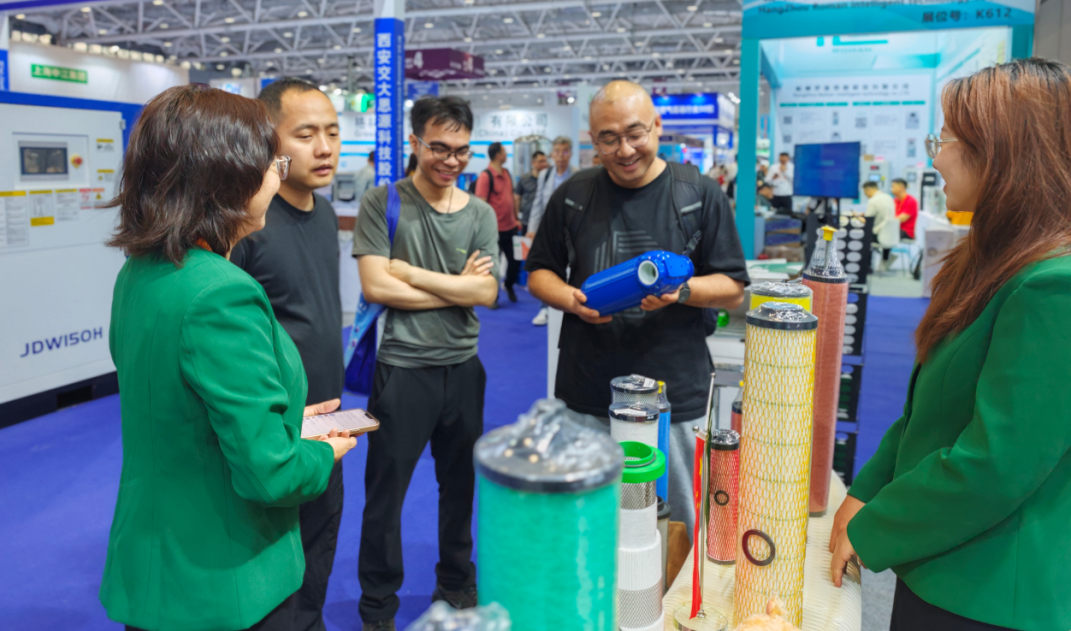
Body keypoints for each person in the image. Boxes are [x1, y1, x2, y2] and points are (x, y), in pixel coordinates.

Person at [101, 85, 357, 631]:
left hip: (155, 564)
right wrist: (322, 453)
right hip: (226, 579)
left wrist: (283, 423)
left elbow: (183, 411)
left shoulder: (140, 273)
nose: (276, 177)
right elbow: (272, 475)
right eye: (270, 163)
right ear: (226, 177)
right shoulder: (221, 293)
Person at [830, 58, 1071, 631]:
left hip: (989, 594)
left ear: (1004, 152)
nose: (935, 158)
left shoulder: (1051, 286)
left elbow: (997, 465)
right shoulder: (991, 258)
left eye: (947, 141)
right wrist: (865, 490)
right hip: (943, 567)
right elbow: (928, 411)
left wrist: (876, 524)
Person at [526, 81, 748, 537]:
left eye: (635, 134)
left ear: (657, 126)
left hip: (673, 397)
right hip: (587, 394)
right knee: (585, 527)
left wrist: (681, 292)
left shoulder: (698, 194)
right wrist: (572, 300)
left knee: (673, 529)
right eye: (608, 139)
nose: (625, 150)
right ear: (593, 139)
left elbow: (732, 288)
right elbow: (539, 272)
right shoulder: (574, 194)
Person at [352, 96, 499, 631]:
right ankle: (377, 606)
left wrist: (411, 274)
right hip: (402, 370)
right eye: (439, 147)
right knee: (385, 497)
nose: (451, 160)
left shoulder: (480, 213)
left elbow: (486, 293)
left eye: (462, 150)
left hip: (464, 369)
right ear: (415, 142)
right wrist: (458, 287)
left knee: (460, 489)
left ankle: (456, 583)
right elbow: (376, 286)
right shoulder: (382, 202)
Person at [229, 77, 346, 631]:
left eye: (332, 132)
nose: (324, 148)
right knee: (272, 565)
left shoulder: (325, 213)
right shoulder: (247, 224)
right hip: (271, 429)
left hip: (327, 419)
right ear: (269, 140)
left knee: (321, 545)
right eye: (305, 134)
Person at [526, 136, 575, 326]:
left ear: (570, 153)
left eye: (565, 151)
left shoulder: (577, 175)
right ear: (552, 154)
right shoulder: (545, 175)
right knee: (546, 268)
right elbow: (538, 203)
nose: (561, 156)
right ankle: (544, 308)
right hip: (549, 230)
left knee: (571, 269)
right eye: (557, 151)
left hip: (571, 231)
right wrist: (532, 228)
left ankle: (569, 305)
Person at [475, 142, 520, 304]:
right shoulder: (485, 176)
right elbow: (480, 204)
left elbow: (512, 197)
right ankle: (492, 295)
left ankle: (508, 284)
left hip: (511, 227)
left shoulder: (506, 173)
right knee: (493, 265)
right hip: (494, 231)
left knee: (515, 261)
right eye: (504, 151)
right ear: (498, 155)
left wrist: (516, 217)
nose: (506, 154)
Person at [861, 181, 900, 271]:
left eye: (865, 192)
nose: (865, 195)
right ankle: (887, 257)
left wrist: (857, 217)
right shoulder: (888, 197)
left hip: (879, 235)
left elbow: (867, 221)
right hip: (891, 235)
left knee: (863, 237)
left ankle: (866, 267)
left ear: (868, 189)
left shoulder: (873, 201)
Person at [516, 150, 548, 233]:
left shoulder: (549, 179)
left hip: (544, 222)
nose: (544, 164)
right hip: (526, 220)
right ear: (533, 163)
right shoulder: (524, 179)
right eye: (541, 161)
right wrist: (517, 218)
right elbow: (517, 198)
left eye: (545, 161)